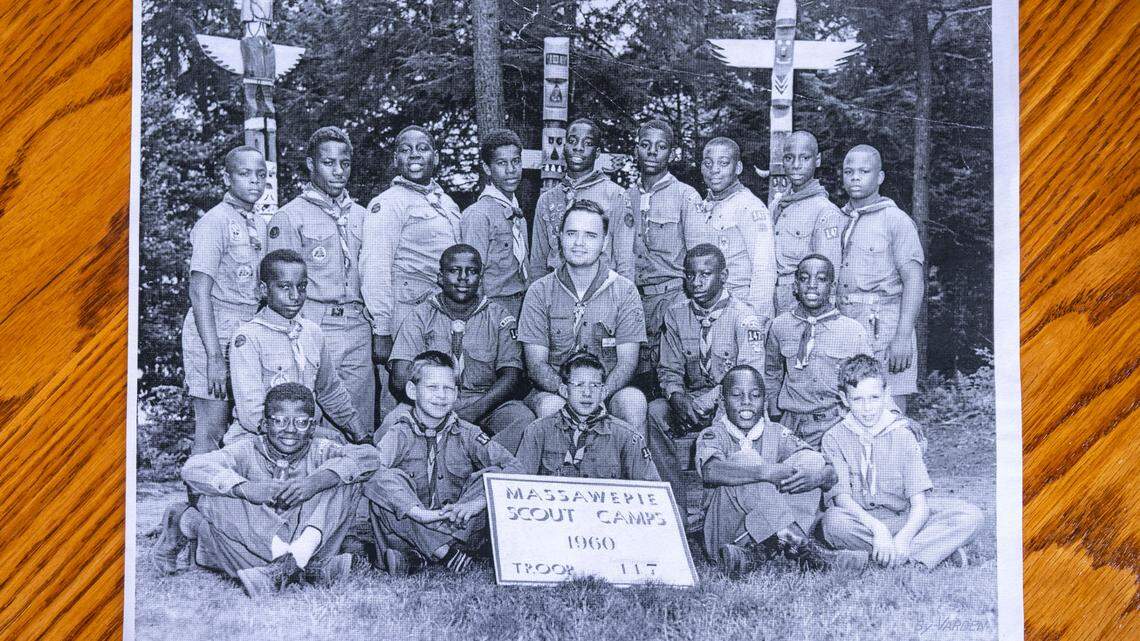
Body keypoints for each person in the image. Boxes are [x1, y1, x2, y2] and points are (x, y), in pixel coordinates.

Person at [152, 383, 382, 597]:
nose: (290, 429)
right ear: (264, 424)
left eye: (301, 422)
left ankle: (293, 561)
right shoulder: (246, 449)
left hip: (301, 539)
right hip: (254, 540)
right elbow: (193, 468)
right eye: (279, 421)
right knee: (216, 494)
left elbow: (369, 456)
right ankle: (299, 566)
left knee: (344, 478)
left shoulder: (321, 450)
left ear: (312, 427)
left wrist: (316, 482)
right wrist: (247, 488)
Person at [696, 366, 866, 576]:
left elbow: (829, 472)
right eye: (737, 395)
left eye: (755, 395)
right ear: (722, 402)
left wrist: (818, 477)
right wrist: (764, 472)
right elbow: (710, 471)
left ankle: (764, 553)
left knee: (811, 461)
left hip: (768, 535)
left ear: (765, 402)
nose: (746, 401)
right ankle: (806, 552)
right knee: (746, 460)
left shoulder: (776, 433)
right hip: (726, 534)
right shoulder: (713, 434)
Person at [820, 355, 983, 568]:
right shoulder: (833, 438)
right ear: (844, 398)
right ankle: (928, 554)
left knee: (970, 515)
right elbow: (842, 499)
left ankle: (887, 556)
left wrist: (904, 536)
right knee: (832, 522)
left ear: (887, 394)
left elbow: (919, 503)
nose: (867, 408)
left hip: (905, 518)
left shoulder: (902, 435)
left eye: (874, 398)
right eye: (858, 399)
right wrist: (878, 530)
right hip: (863, 522)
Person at [365, 351, 515, 576]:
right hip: (415, 523)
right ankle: (442, 554)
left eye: (448, 389)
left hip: (458, 525)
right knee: (382, 478)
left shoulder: (468, 433)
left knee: (493, 475)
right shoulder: (399, 432)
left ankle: (420, 556)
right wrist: (420, 515)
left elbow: (515, 468)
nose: (441, 396)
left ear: (456, 394)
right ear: (412, 391)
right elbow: (375, 473)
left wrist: (476, 504)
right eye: (432, 388)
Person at [267, 126, 374, 430]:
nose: (338, 171)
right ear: (311, 164)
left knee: (357, 418)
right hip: (314, 323)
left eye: (345, 163)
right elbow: (279, 285)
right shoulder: (290, 217)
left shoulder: (363, 216)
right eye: (328, 163)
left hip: (356, 325)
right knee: (308, 415)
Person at [384, 244, 535, 452]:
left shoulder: (499, 317)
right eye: (454, 271)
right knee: (392, 423)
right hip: (431, 400)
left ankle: (482, 468)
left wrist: (474, 411)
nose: (463, 278)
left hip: (484, 402)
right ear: (440, 277)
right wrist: (437, 408)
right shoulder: (420, 316)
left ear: (480, 279)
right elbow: (400, 378)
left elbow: (511, 376)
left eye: (472, 272)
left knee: (522, 419)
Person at [646, 244, 766, 502]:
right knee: (654, 412)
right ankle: (674, 499)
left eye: (705, 274)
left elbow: (748, 378)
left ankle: (721, 505)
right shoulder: (677, 315)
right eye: (690, 275)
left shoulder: (743, 317)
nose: (696, 282)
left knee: (735, 412)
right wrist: (677, 397)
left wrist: (704, 402)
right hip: (691, 401)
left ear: (723, 276)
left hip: (729, 403)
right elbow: (669, 369)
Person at [516, 200, 648, 434]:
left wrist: (599, 394)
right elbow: (536, 364)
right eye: (571, 233)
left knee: (633, 403)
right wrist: (569, 392)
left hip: (608, 391)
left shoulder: (625, 291)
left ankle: (633, 471)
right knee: (552, 409)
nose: (579, 243)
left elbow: (628, 362)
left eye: (590, 235)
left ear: (604, 242)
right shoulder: (539, 291)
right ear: (560, 237)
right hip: (555, 390)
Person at [360, 125, 462, 410]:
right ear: (396, 160)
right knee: (403, 396)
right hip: (405, 314)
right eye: (405, 150)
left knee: (437, 390)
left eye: (422, 148)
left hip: (440, 312)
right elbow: (375, 266)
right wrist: (382, 328)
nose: (414, 155)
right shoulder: (389, 203)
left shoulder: (447, 203)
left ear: (436, 157)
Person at [226, 250, 367, 444]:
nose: (295, 296)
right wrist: (317, 435)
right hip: (258, 440)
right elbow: (252, 415)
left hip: (305, 439)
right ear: (264, 290)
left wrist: (361, 435)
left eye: (302, 287)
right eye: (285, 287)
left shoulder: (312, 333)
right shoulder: (248, 338)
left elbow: (331, 391)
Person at [181, 145, 267, 453]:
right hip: (213, 330)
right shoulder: (214, 222)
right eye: (244, 174)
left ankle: (227, 500)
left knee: (247, 425)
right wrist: (214, 357)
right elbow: (198, 290)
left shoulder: (260, 224)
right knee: (212, 427)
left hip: (247, 330)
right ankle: (197, 501)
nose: (254, 181)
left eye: (261, 175)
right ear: (226, 177)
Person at [616, 119, 703, 393]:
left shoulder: (686, 196)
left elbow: (700, 257)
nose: (652, 152)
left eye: (661, 146)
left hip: (672, 300)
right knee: (637, 383)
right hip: (632, 302)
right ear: (636, 150)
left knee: (673, 380)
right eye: (645, 145)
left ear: (672, 153)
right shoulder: (624, 197)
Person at [836, 145, 925, 412]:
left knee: (888, 412)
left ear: (880, 177)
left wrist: (903, 337)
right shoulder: (836, 219)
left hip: (885, 327)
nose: (855, 177)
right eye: (849, 171)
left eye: (864, 171)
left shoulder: (896, 221)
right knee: (848, 409)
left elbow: (914, 280)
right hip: (844, 325)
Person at [764, 254, 872, 449]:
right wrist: (774, 410)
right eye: (804, 279)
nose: (812, 285)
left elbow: (870, 380)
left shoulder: (852, 330)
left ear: (832, 286)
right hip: (790, 424)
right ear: (795, 286)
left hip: (833, 423)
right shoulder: (780, 326)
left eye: (821, 279)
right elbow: (772, 371)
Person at [506, 350, 660, 481]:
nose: (587, 393)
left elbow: (650, 489)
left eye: (594, 385)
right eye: (579, 385)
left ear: (604, 392)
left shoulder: (627, 437)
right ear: (564, 391)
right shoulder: (538, 432)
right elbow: (519, 484)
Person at [529, 118, 634, 283]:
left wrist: (625, 300)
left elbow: (625, 260)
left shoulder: (616, 195)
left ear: (597, 152)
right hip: (556, 293)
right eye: (572, 141)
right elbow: (537, 261)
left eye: (588, 143)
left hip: (600, 292)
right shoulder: (547, 199)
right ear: (564, 146)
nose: (578, 148)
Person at [686, 137, 776, 321]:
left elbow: (764, 269)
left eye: (724, 163)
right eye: (708, 164)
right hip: (704, 311)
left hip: (739, 309)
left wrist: (755, 318)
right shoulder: (700, 207)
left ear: (738, 168)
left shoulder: (749, 207)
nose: (714, 171)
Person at [771, 131, 844, 315]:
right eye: (789, 158)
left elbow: (828, 276)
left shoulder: (825, 212)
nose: (796, 165)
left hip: (804, 306)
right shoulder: (777, 205)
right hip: (773, 302)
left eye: (804, 158)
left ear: (817, 160)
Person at [459, 128, 529, 317]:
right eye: (501, 163)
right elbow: (472, 275)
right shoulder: (479, 215)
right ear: (487, 168)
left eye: (516, 161)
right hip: (491, 307)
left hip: (521, 306)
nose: (511, 170)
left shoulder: (517, 214)